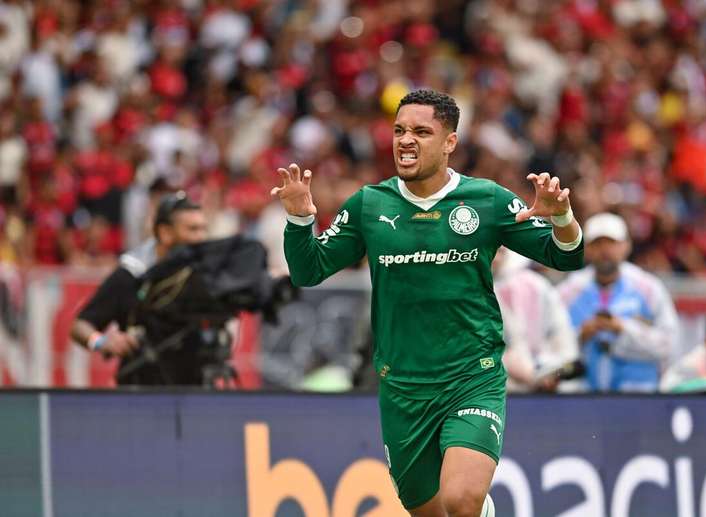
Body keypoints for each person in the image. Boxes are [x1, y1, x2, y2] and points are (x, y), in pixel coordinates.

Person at [271, 89, 584, 517]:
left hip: (471, 376)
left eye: (421, 132)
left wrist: (562, 216)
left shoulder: (487, 200)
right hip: (402, 387)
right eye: (399, 130)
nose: (406, 140)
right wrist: (299, 219)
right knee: (430, 511)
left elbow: (567, 256)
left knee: (461, 500)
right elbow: (309, 271)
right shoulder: (369, 205)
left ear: (450, 142)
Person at [70, 191, 209, 385]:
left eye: (204, 229)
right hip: (139, 389)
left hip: (194, 390)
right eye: (193, 230)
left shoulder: (204, 274)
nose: (201, 238)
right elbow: (80, 326)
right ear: (165, 233)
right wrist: (101, 342)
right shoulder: (132, 275)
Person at [558, 212, 679, 392]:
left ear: (627, 246)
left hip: (639, 395)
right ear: (586, 248)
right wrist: (581, 335)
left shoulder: (649, 289)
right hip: (582, 396)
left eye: (611, 243)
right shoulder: (568, 292)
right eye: (597, 243)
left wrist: (623, 329)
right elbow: (550, 349)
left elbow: (669, 345)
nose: (605, 250)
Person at [493, 249, 579, 392]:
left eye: (500, 251)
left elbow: (563, 337)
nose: (495, 258)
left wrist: (554, 372)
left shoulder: (537, 286)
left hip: (545, 388)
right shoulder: (470, 290)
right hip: (497, 389)